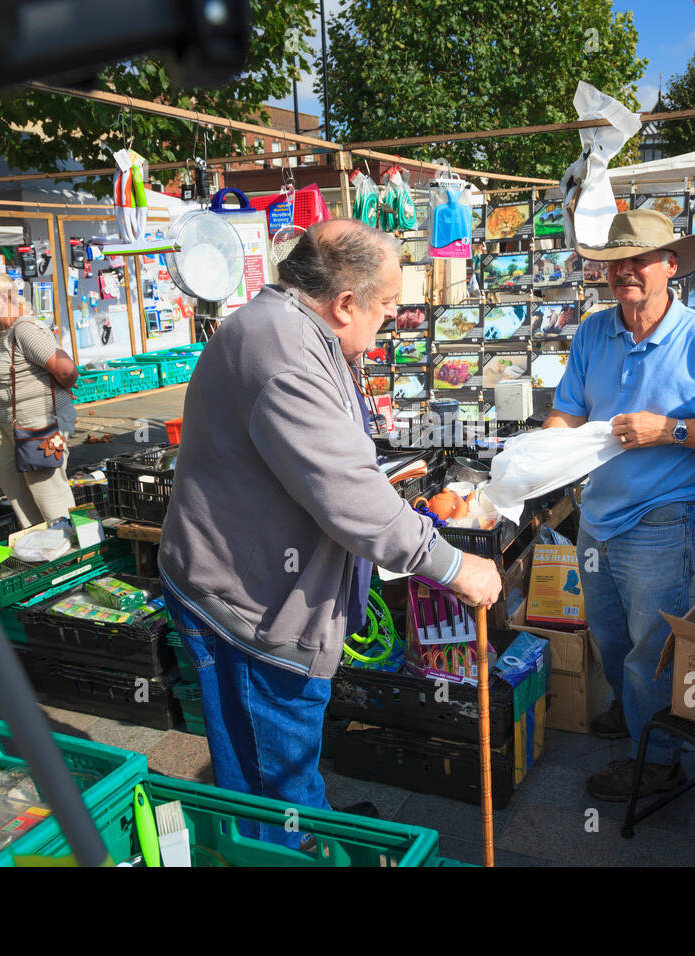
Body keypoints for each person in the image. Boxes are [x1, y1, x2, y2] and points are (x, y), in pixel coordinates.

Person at [158, 219, 502, 846]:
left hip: (247, 576)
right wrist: (454, 567)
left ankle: (296, 832)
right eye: (390, 302)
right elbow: (350, 500)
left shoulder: (291, 326)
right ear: (345, 303)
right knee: (274, 771)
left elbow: (332, 469)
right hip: (248, 604)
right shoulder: (285, 353)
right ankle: (288, 846)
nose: (395, 316)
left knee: (271, 762)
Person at [544, 209, 695, 801]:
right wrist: (545, 447)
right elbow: (567, 408)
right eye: (617, 260)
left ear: (671, 265)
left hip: (663, 518)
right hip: (597, 515)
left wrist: (669, 431)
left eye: (640, 259)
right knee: (611, 635)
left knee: (652, 645)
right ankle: (634, 712)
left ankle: (661, 758)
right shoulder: (593, 331)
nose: (626, 271)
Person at [0, 270, 78, 528]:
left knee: (46, 487)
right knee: (9, 478)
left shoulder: (25, 329)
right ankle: (42, 537)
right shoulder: (3, 332)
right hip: (16, 426)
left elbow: (66, 369)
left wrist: (65, 387)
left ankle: (75, 548)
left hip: (40, 424)